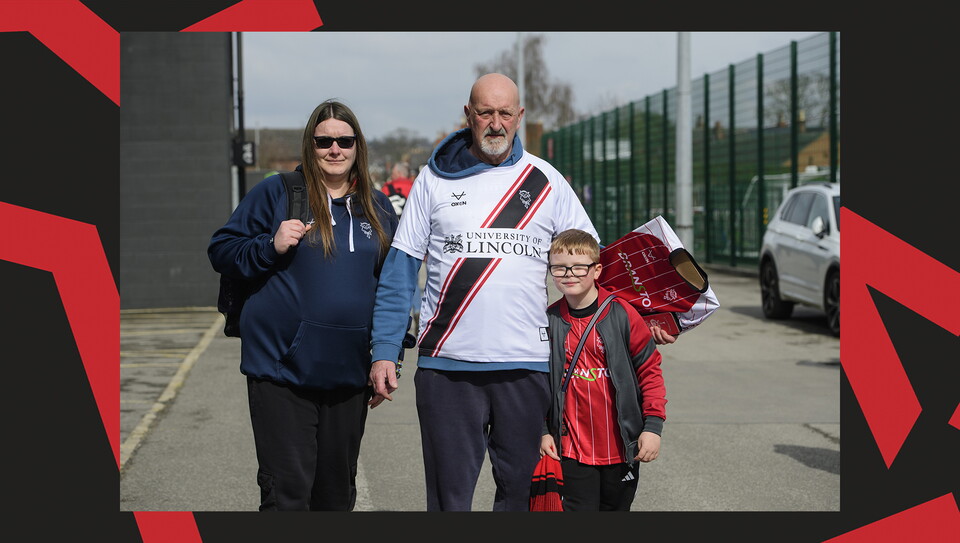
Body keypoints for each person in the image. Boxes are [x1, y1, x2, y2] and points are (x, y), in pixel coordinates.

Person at [368, 72, 599, 511]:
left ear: (520, 117)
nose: (496, 123)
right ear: (469, 115)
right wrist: (384, 350)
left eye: (505, 113)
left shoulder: (546, 181)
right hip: (448, 371)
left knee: (520, 499)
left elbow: (590, 266)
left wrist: (637, 323)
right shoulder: (433, 181)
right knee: (449, 502)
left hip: (528, 369)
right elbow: (400, 272)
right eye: (486, 112)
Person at [207, 99, 399, 511]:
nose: (335, 149)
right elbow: (221, 249)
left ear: (357, 145)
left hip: (349, 374)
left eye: (344, 140)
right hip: (281, 373)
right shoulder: (277, 193)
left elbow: (394, 288)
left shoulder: (379, 206)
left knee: (335, 498)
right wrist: (269, 245)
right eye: (323, 140)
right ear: (309, 145)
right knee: (287, 496)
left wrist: (389, 356)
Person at [540, 228, 671, 511]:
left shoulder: (623, 314)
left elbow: (649, 372)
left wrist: (653, 427)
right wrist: (542, 430)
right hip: (571, 448)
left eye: (579, 267)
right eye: (559, 268)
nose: (569, 274)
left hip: (621, 447)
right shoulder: (548, 321)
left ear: (597, 270)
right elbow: (535, 382)